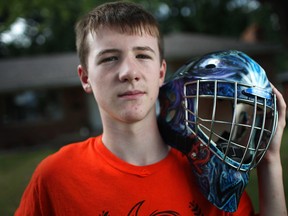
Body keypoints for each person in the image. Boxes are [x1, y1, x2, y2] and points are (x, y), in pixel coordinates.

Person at [15, 1, 287, 215]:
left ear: (161, 73)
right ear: (86, 78)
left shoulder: (209, 172)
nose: (129, 72)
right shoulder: (57, 176)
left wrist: (270, 162)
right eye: (109, 58)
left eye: (142, 55)